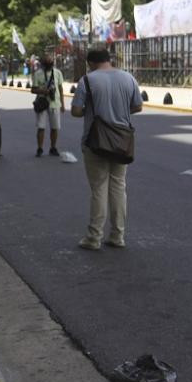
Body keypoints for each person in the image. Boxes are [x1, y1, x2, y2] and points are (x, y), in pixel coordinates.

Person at [70, 47, 143, 250]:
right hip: (121, 141)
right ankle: (118, 235)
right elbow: (138, 106)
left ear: (91, 63)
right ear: (108, 60)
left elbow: (76, 111)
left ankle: (94, 237)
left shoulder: (87, 80)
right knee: (119, 187)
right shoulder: (128, 78)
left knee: (98, 189)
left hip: (96, 142)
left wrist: (93, 111)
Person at [32, 54, 66, 157]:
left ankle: (53, 147)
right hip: (42, 103)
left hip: (54, 103)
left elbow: (60, 88)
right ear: (43, 64)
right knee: (41, 127)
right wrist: (44, 91)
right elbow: (33, 89)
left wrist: (63, 104)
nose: (49, 66)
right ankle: (40, 148)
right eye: (47, 64)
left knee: (55, 127)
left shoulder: (57, 73)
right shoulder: (38, 74)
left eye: (51, 63)